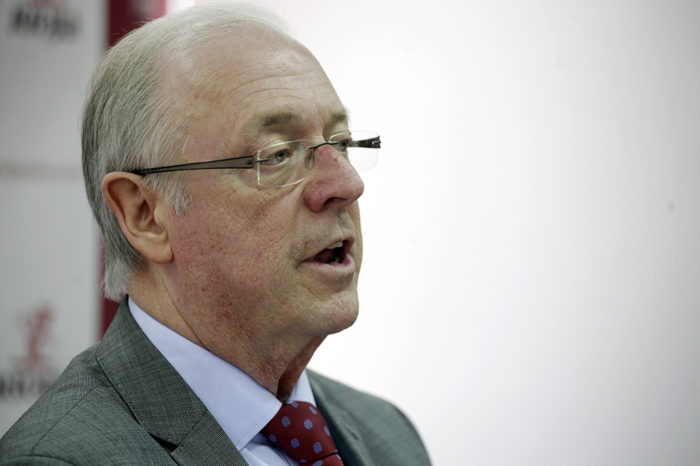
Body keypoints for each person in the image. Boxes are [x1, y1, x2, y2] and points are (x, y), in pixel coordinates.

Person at [0, 3, 430, 465]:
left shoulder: (389, 435)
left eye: (341, 143)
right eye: (277, 154)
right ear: (145, 214)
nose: (347, 184)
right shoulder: (60, 460)